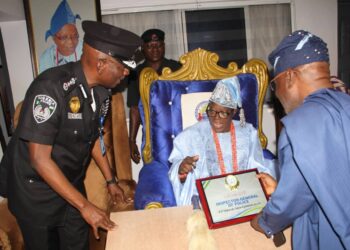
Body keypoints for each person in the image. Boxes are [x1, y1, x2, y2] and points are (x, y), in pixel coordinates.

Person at [0, 20, 141, 250]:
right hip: (35, 192)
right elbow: (39, 159)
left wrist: (111, 180)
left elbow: (93, 136)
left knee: (79, 244)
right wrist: (85, 206)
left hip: (70, 184)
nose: (126, 72)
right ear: (102, 63)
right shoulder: (50, 88)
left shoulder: (102, 93)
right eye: (123, 66)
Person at [250, 30, 350, 250]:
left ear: (289, 76)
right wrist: (282, 189)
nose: (276, 95)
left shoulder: (298, 127)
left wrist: (262, 222)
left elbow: (287, 207)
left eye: (274, 86)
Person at [168, 76, 276, 206]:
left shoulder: (248, 133)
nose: (216, 118)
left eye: (223, 113)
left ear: (233, 112)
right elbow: (176, 172)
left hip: (243, 198)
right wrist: (182, 170)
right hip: (205, 201)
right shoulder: (190, 136)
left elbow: (258, 168)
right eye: (212, 111)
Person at [127, 28, 181, 164]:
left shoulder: (177, 68)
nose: (155, 49)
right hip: (153, 134)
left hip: (179, 129)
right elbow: (134, 108)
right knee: (156, 172)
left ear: (164, 46)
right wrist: (132, 140)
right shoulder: (136, 73)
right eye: (150, 46)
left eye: (159, 45)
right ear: (142, 49)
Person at [39, 0, 82, 73]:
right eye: (64, 37)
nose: (70, 41)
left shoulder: (86, 50)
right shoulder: (46, 59)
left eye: (75, 36)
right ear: (53, 38)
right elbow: (46, 83)